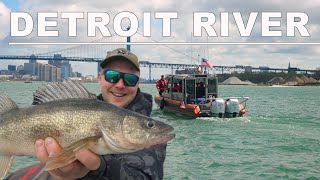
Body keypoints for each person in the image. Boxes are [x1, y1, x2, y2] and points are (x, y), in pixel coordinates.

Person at [8, 48, 167, 180]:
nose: (120, 85)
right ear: (100, 78)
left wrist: (97, 169)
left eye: (130, 79)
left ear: (138, 83)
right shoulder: (84, 105)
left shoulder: (150, 137)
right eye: (112, 76)